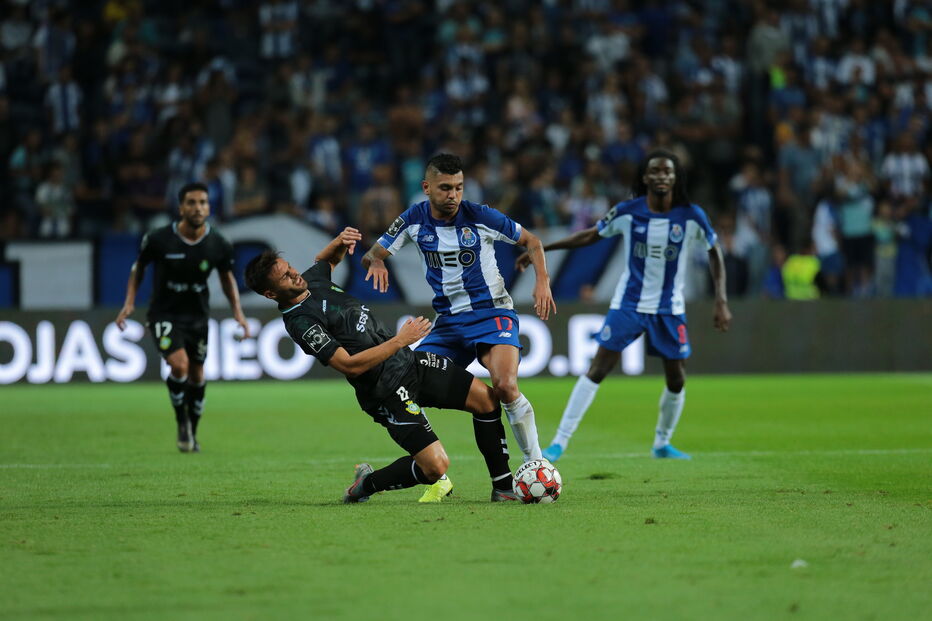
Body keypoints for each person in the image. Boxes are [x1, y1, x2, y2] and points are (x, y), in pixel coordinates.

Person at [243, 228, 518, 503]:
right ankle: (367, 484)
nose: (294, 274)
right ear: (270, 293)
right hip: (384, 390)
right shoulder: (301, 323)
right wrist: (400, 341)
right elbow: (349, 365)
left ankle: (503, 488)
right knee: (435, 467)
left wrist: (340, 242)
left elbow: (325, 261)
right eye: (285, 277)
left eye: (289, 267)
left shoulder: (311, 281)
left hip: (410, 364)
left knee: (486, 399)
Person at [361, 153, 556, 501]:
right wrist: (376, 261)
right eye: (445, 188)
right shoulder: (413, 219)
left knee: (505, 386)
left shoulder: (480, 216)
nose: (453, 195)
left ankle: (535, 464)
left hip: (491, 312)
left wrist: (542, 281)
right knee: (404, 386)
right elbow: (372, 252)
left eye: (459, 188)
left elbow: (533, 241)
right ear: (427, 188)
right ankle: (437, 477)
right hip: (448, 324)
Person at [516, 151, 732, 462]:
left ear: (675, 178)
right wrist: (541, 249)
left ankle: (662, 443)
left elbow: (714, 251)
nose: (661, 176)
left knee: (677, 378)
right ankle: (559, 442)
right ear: (645, 177)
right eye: (654, 171)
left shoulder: (691, 215)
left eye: (667, 172)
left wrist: (721, 300)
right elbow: (590, 235)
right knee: (598, 369)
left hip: (669, 308)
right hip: (628, 304)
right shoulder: (628, 211)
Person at [115, 182, 250, 453]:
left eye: (203, 202)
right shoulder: (158, 239)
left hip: (198, 316)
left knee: (198, 375)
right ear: (181, 208)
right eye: (192, 202)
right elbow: (138, 268)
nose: (198, 208)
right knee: (180, 366)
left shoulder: (218, 244)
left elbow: (226, 278)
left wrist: (238, 311)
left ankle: (192, 430)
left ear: (209, 207)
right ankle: (181, 422)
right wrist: (129, 303)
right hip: (164, 313)